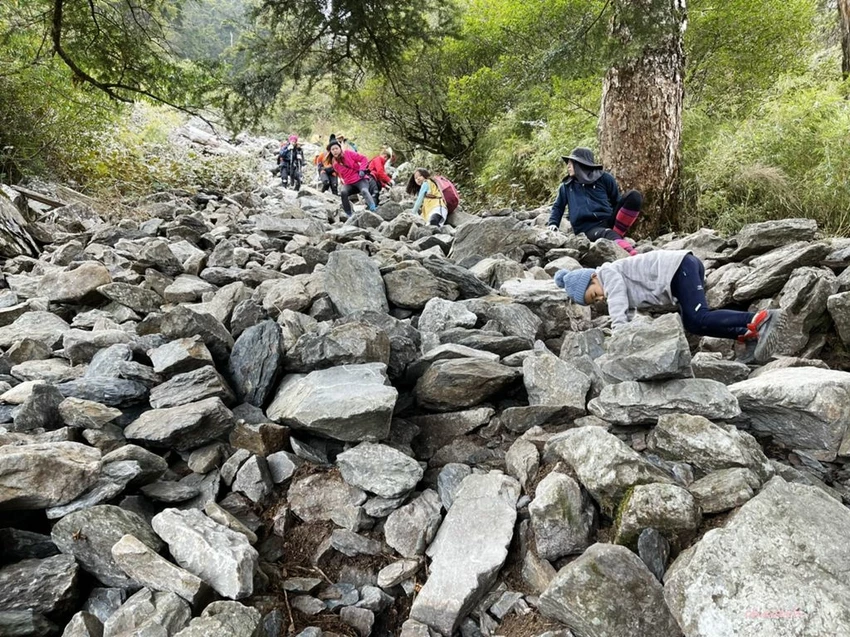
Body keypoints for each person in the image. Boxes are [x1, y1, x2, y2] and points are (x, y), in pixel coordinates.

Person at [553, 250, 785, 362]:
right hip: (680, 273)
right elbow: (631, 312)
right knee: (693, 323)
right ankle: (746, 333)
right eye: (595, 302)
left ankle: (762, 318)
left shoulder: (608, 273)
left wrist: (619, 333)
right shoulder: (615, 284)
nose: (599, 299)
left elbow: (617, 303)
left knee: (698, 318)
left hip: (680, 267)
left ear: (593, 277)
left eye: (594, 295)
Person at [548, 147, 642, 256]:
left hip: (608, 220)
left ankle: (617, 233)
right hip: (587, 228)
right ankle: (634, 256)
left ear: (580, 164)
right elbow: (558, 207)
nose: (568, 166)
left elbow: (616, 201)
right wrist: (553, 223)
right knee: (607, 234)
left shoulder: (605, 178)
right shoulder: (566, 186)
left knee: (634, 196)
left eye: (571, 163)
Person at [327, 135, 376, 216]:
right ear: (331, 152)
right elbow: (340, 175)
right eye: (333, 149)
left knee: (364, 191)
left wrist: (362, 169)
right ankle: (349, 215)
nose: (335, 151)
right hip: (349, 184)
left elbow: (364, 159)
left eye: (336, 148)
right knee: (343, 192)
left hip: (360, 179)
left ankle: (373, 209)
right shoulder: (335, 164)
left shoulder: (348, 153)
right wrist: (342, 182)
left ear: (340, 149)